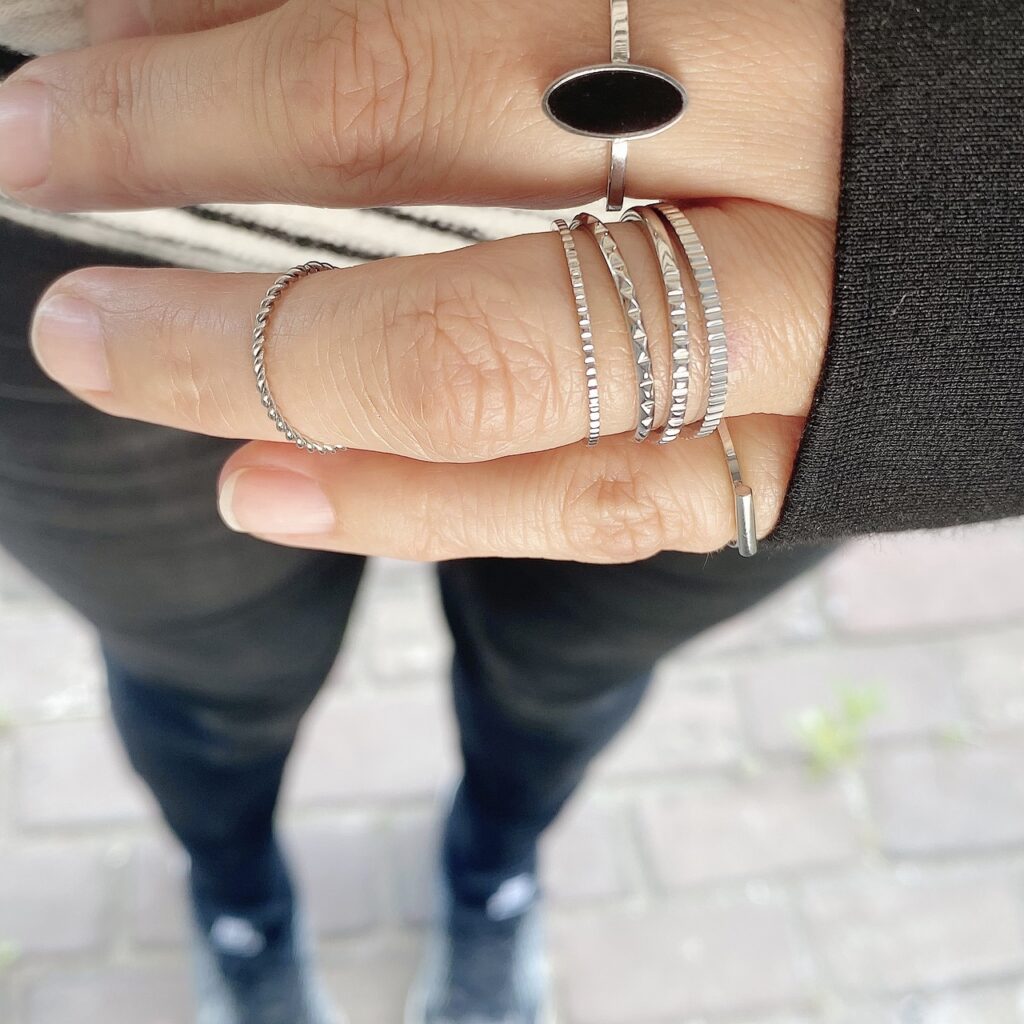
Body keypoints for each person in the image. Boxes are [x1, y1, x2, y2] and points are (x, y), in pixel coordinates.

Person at [0, 2, 1019, 1023]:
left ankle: (493, 866)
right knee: (213, 684)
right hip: (85, 182)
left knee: (563, 678)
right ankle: (239, 897)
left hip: (817, 233)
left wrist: (983, 193)